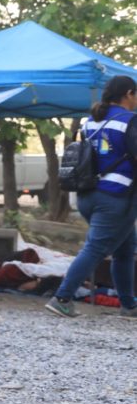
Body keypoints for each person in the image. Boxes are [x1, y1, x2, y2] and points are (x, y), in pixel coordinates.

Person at [46, 75, 137, 318]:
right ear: (129, 94)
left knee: (125, 250)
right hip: (116, 197)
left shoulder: (90, 122)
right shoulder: (130, 121)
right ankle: (62, 298)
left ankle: (129, 305)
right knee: (95, 249)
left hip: (88, 195)